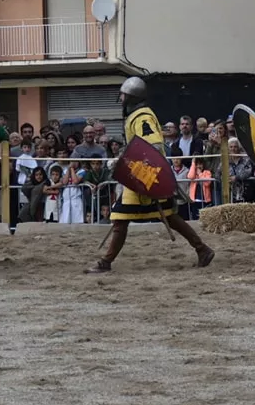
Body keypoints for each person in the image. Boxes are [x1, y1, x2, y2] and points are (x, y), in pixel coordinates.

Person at [85, 77, 215, 273]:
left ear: (131, 97)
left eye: (123, 96)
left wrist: (130, 164)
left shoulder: (142, 117)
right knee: (169, 216)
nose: (121, 99)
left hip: (144, 175)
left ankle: (106, 262)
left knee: (121, 217)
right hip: (142, 174)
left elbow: (151, 146)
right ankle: (202, 249)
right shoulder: (137, 115)